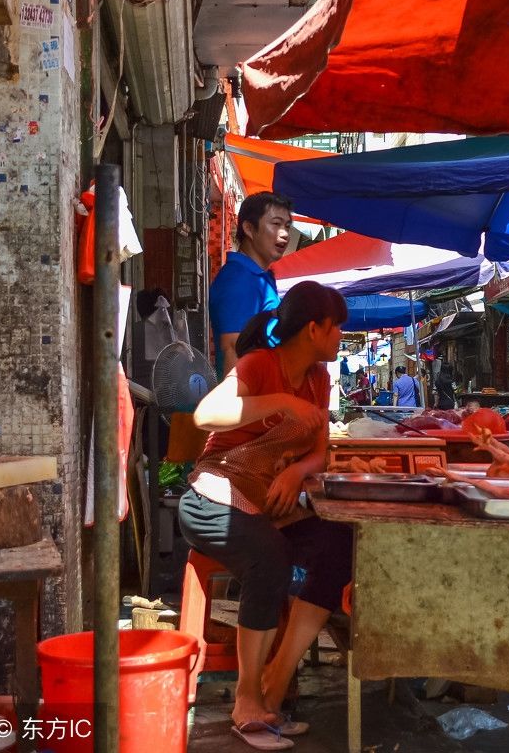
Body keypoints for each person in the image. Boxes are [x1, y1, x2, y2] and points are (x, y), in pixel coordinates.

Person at [177, 281, 351, 748]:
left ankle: (277, 678)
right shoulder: (259, 364)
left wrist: (296, 474)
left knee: (339, 544)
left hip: (271, 500)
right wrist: (279, 402)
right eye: (337, 330)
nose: (341, 339)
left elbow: (320, 454)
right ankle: (246, 700)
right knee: (269, 559)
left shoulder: (320, 379)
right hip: (211, 499)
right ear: (314, 328)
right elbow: (205, 415)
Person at [209, 192, 294, 378]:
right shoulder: (238, 280)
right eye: (276, 224)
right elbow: (233, 351)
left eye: (287, 226)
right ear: (248, 228)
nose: (285, 234)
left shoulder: (260, 277)